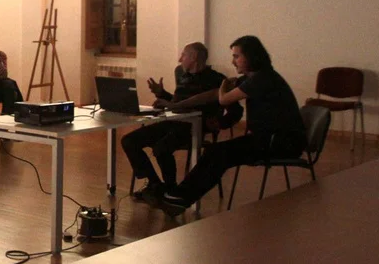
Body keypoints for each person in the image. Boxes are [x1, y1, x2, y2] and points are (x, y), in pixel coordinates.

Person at [155, 36, 307, 216]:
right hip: (269, 139)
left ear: (251, 56)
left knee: (219, 154)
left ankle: (180, 198)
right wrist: (177, 105)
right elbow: (210, 95)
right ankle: (180, 197)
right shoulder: (255, 77)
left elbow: (223, 99)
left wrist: (223, 86)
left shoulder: (262, 79)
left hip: (281, 143)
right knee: (216, 152)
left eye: (236, 56)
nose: (233, 61)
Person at [122, 43, 240, 201]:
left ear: (194, 57)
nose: (179, 59)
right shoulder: (184, 76)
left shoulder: (217, 80)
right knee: (129, 141)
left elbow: (236, 110)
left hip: (194, 127)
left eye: (183, 55)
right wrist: (162, 94)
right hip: (172, 122)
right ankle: (155, 184)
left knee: (161, 148)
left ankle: (171, 191)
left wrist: (221, 122)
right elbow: (179, 103)